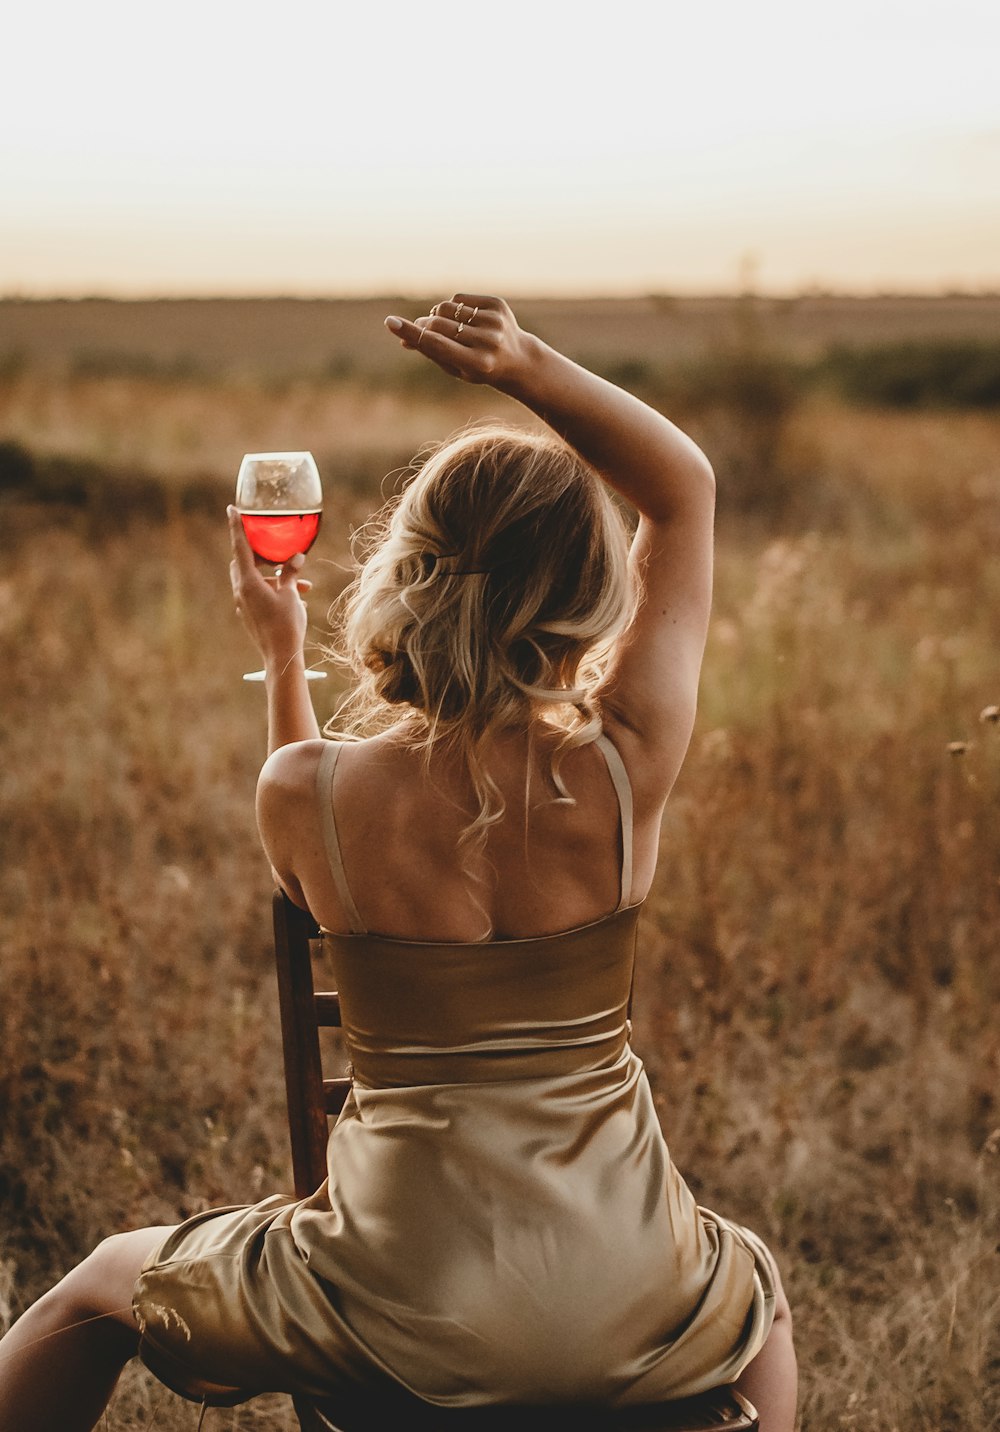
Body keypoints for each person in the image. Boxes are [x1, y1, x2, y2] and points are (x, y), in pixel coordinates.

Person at [0, 295, 796, 1432]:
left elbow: (308, 827)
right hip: (630, 1290)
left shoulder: (307, 795)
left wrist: (282, 658)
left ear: (412, 571)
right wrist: (523, 367)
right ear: (588, 591)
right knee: (754, 1293)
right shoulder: (626, 768)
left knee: (90, 1290)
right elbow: (684, 486)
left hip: (393, 1296)